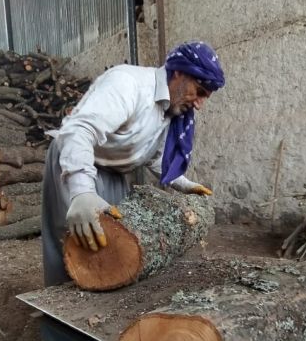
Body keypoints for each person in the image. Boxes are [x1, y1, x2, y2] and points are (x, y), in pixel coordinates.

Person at [41, 41, 225, 286]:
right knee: (76, 242)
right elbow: (79, 131)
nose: (200, 104)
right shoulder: (128, 84)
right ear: (179, 72)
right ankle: (60, 315)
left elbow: (151, 154)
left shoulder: (170, 110)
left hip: (115, 174)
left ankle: (102, 313)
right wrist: (82, 191)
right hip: (78, 164)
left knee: (113, 247)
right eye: (199, 91)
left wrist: (182, 183)